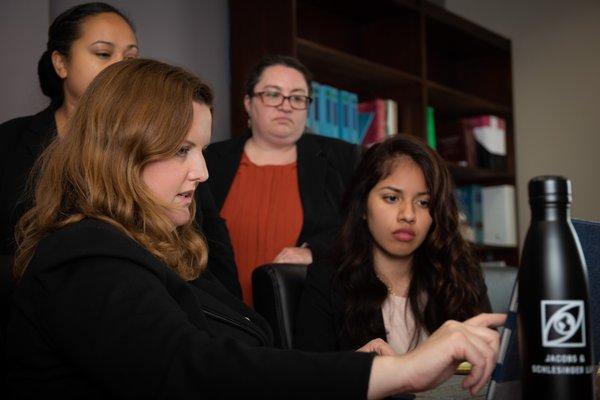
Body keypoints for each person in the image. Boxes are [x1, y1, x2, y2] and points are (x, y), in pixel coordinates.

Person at [7, 58, 504, 398]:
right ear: (119, 151)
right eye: (182, 150)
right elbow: (195, 372)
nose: (201, 172)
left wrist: (347, 366)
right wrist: (395, 370)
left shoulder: (162, 252)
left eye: (200, 149)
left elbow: (245, 361)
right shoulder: (83, 258)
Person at [0, 2, 241, 298]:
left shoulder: (171, 146)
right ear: (61, 63)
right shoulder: (9, 142)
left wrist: (237, 322)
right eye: (103, 53)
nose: (119, 65)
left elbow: (211, 245)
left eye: (130, 56)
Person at [294, 134, 492, 355]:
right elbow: (310, 380)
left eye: (423, 202)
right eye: (391, 198)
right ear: (362, 207)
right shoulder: (328, 279)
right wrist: (356, 370)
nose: (408, 215)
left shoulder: (461, 274)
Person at [205, 54, 361, 304]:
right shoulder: (210, 160)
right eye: (273, 94)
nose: (286, 105)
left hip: (304, 316)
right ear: (248, 102)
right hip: (223, 316)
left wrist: (315, 252)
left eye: (297, 97)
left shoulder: (342, 158)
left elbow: (360, 225)